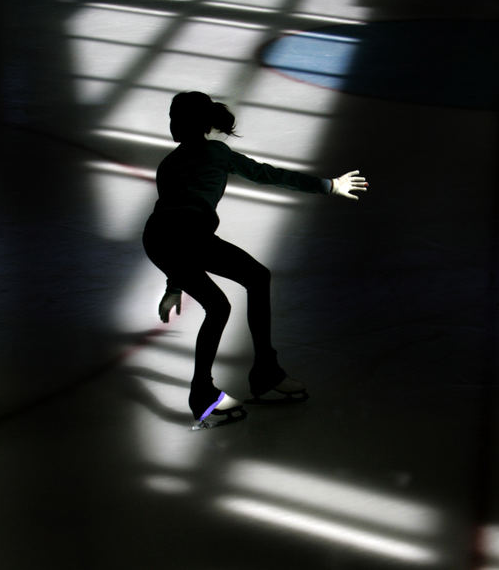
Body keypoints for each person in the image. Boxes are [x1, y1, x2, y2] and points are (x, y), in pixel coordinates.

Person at [142, 91, 368, 429]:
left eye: (176, 118)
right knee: (229, 299)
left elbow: (265, 174)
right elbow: (267, 175)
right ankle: (216, 389)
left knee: (251, 281)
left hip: (168, 239)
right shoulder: (198, 157)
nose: (172, 124)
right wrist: (328, 186)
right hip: (182, 237)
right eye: (172, 117)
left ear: (194, 124)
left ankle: (257, 374)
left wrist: (174, 283)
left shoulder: (179, 161)